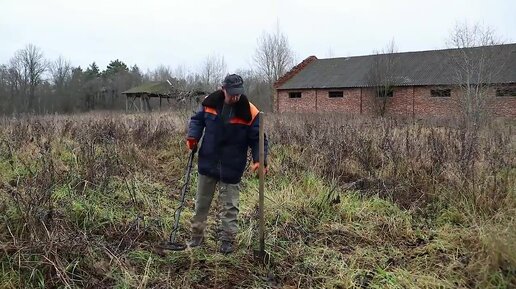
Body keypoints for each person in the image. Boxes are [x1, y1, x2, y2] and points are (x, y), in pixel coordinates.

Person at [186, 74, 268, 254]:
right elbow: (197, 120)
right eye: (232, 93)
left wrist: (259, 160)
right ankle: (196, 238)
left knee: (230, 207)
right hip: (208, 161)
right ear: (223, 89)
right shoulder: (209, 103)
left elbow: (258, 139)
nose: (235, 97)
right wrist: (193, 137)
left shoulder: (251, 112)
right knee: (201, 204)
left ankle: (227, 242)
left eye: (238, 93)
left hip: (232, 165)